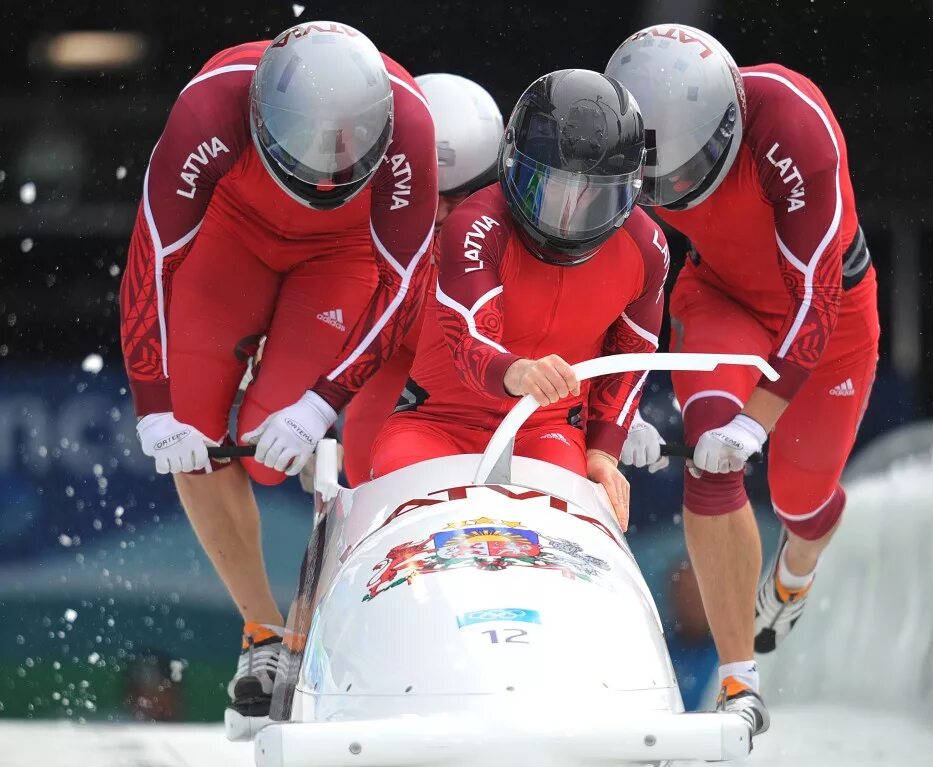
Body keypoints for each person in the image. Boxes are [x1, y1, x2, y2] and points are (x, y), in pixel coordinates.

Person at [118, 21, 436, 723]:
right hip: (232, 236)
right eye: (305, 157)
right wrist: (152, 403)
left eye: (344, 159)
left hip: (342, 255)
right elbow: (152, 263)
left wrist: (322, 404)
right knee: (194, 431)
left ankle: (310, 632)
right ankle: (263, 632)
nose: (322, 176)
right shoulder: (210, 106)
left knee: (269, 447)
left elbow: (401, 285)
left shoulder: (409, 122)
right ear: (261, 120)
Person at [606, 24, 879, 736]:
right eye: (659, 182)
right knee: (707, 458)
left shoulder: (794, 125)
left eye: (691, 175)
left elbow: (816, 302)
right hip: (722, 300)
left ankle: (798, 565)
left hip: (828, 318)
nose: (675, 195)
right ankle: (740, 681)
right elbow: (608, 274)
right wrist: (616, 406)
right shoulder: (613, 131)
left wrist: (756, 422)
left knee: (799, 496)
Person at [369, 68, 671, 528]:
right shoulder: (475, 222)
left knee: (562, 532)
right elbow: (470, 338)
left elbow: (631, 353)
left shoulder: (646, 250)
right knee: (413, 515)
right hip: (437, 424)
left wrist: (603, 452)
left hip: (547, 430)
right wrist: (519, 371)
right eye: (549, 188)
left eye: (593, 197)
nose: (567, 215)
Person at [340, 73, 504, 486]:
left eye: (458, 197)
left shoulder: (513, 232)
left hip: (484, 374)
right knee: (368, 473)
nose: (439, 214)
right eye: (427, 195)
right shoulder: (353, 217)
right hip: (391, 360)